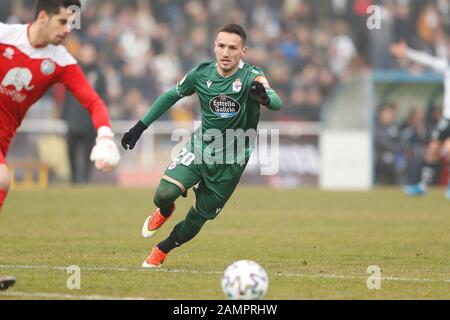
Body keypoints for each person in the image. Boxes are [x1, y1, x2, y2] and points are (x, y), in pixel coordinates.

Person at [121, 24, 283, 268]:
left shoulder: (252, 76)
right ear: (214, 47)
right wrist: (140, 127)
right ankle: (165, 210)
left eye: (232, 47)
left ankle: (162, 249)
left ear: (243, 51)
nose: (226, 52)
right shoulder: (201, 73)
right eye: (221, 46)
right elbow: (170, 96)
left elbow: (276, 102)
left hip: (232, 160)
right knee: (163, 194)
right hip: (201, 148)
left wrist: (266, 98)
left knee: (196, 220)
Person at [0, 0, 121, 286]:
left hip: (3, 139)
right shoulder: (5, 36)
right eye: (63, 22)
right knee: (2, 180)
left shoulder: (61, 60)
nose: (69, 29)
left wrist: (105, 136)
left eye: (72, 23)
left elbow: (93, 101)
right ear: (43, 16)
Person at [390, 40, 450, 198]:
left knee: (449, 151)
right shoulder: (446, 66)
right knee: (433, 150)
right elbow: (427, 60)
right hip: (447, 117)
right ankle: (423, 186)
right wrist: (408, 52)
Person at [62, 43, 107, 184]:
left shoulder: (99, 74)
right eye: (85, 53)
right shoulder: (74, 71)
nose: (87, 57)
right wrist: (65, 115)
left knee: (89, 150)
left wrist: (100, 117)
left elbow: (103, 98)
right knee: (71, 149)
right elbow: (67, 95)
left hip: (90, 118)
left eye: (90, 54)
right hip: (74, 117)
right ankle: (73, 178)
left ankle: (86, 178)